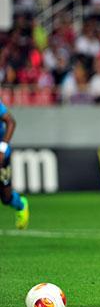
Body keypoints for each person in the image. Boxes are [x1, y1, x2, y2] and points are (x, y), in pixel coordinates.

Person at [0, 97, 30, 229]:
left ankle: (21, 204)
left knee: (6, 198)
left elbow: (11, 122)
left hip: (1, 155)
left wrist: (2, 149)